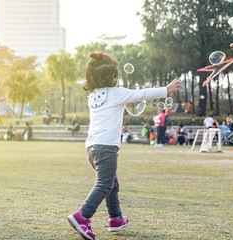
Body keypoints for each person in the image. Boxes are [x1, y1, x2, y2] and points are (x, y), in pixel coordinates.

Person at [67, 51, 182, 240]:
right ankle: (82, 216)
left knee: (111, 183)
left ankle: (116, 218)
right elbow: (141, 94)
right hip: (107, 147)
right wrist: (166, 89)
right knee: (104, 184)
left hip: (92, 148)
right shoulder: (116, 93)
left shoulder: (93, 96)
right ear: (112, 77)